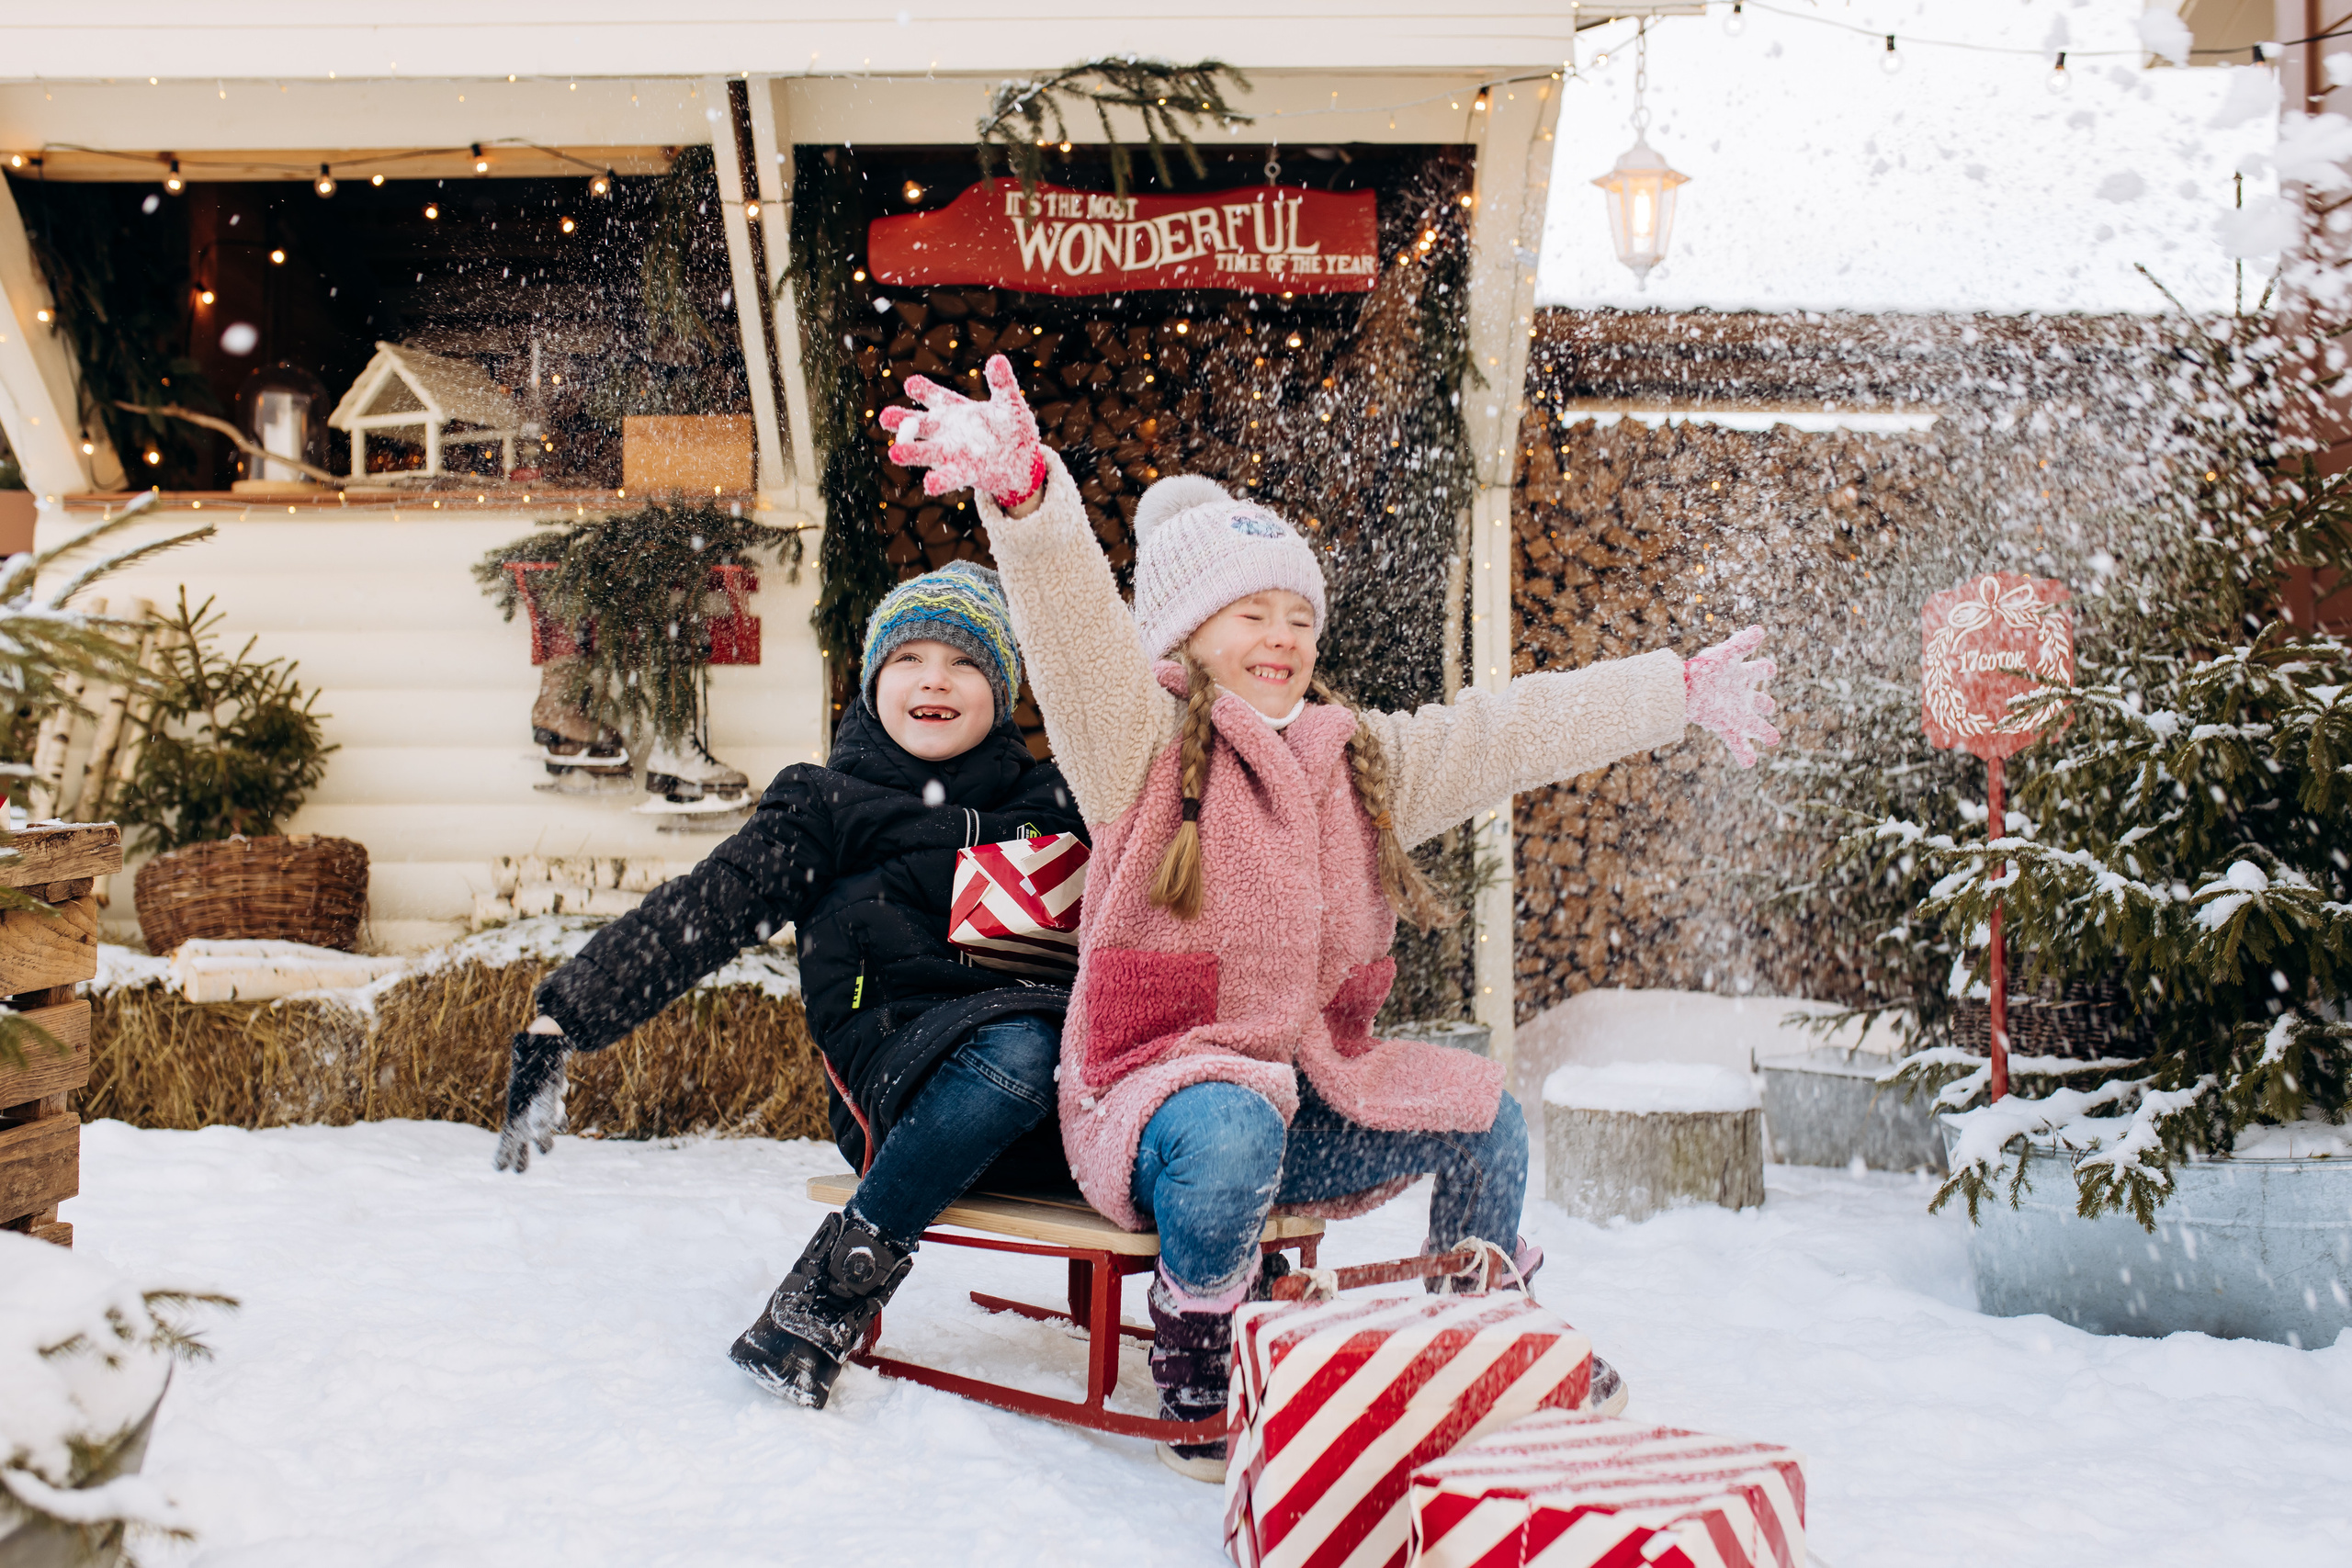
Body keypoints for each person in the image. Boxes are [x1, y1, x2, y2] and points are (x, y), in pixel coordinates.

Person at [880, 356, 1781, 1480]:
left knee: (1481, 1112)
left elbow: (1506, 731)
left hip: (1306, 1097)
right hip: (1163, 1105)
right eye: (1250, 611)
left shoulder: (1358, 760)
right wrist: (1026, 497)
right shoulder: (1139, 742)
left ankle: (1478, 1322)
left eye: (1298, 614)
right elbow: (1069, 628)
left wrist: (1671, 694)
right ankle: (1202, 1345)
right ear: (1184, 634)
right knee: (1231, 1122)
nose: (1282, 634)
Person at [492, 561, 1087, 1410]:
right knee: (1024, 1044)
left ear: (1000, 687)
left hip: (1062, 1092)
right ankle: (823, 1298)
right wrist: (565, 1018)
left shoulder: (1055, 800)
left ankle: (1226, 1315)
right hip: (900, 1082)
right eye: (909, 657)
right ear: (874, 679)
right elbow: (704, 910)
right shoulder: (825, 805)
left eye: (963, 661)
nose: (934, 679)